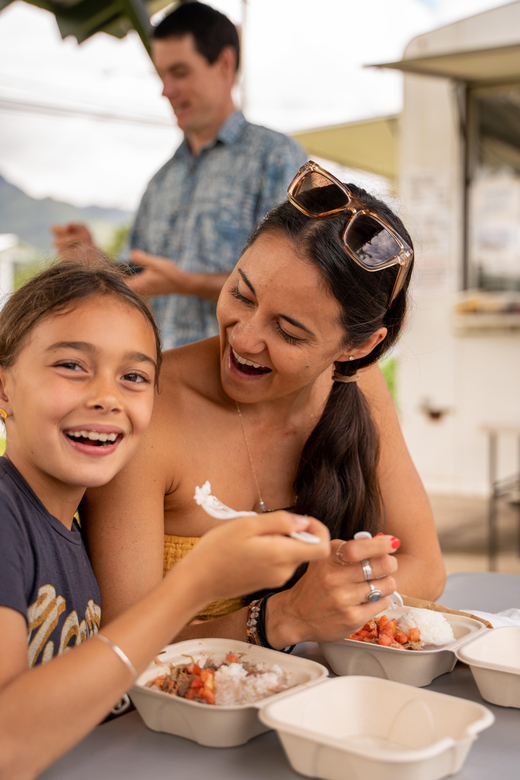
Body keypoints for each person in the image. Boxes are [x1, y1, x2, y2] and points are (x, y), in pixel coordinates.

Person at [82, 161, 446, 652]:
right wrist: (283, 618)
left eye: (289, 331)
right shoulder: (149, 406)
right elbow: (121, 644)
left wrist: (337, 596)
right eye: (241, 294)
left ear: (356, 349)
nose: (245, 338)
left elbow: (425, 566)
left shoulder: (357, 384)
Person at [0, 257, 331, 779]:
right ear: (4, 389)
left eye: (133, 376)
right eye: (71, 365)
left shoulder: (71, 534)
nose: (107, 397)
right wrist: (194, 583)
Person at [51, 1, 306, 349]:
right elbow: (141, 279)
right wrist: (93, 260)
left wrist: (185, 283)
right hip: (161, 380)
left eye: (180, 72)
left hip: (237, 386)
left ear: (225, 64)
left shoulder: (276, 157)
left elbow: (290, 286)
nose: (166, 90)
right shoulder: (161, 180)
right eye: (161, 74)